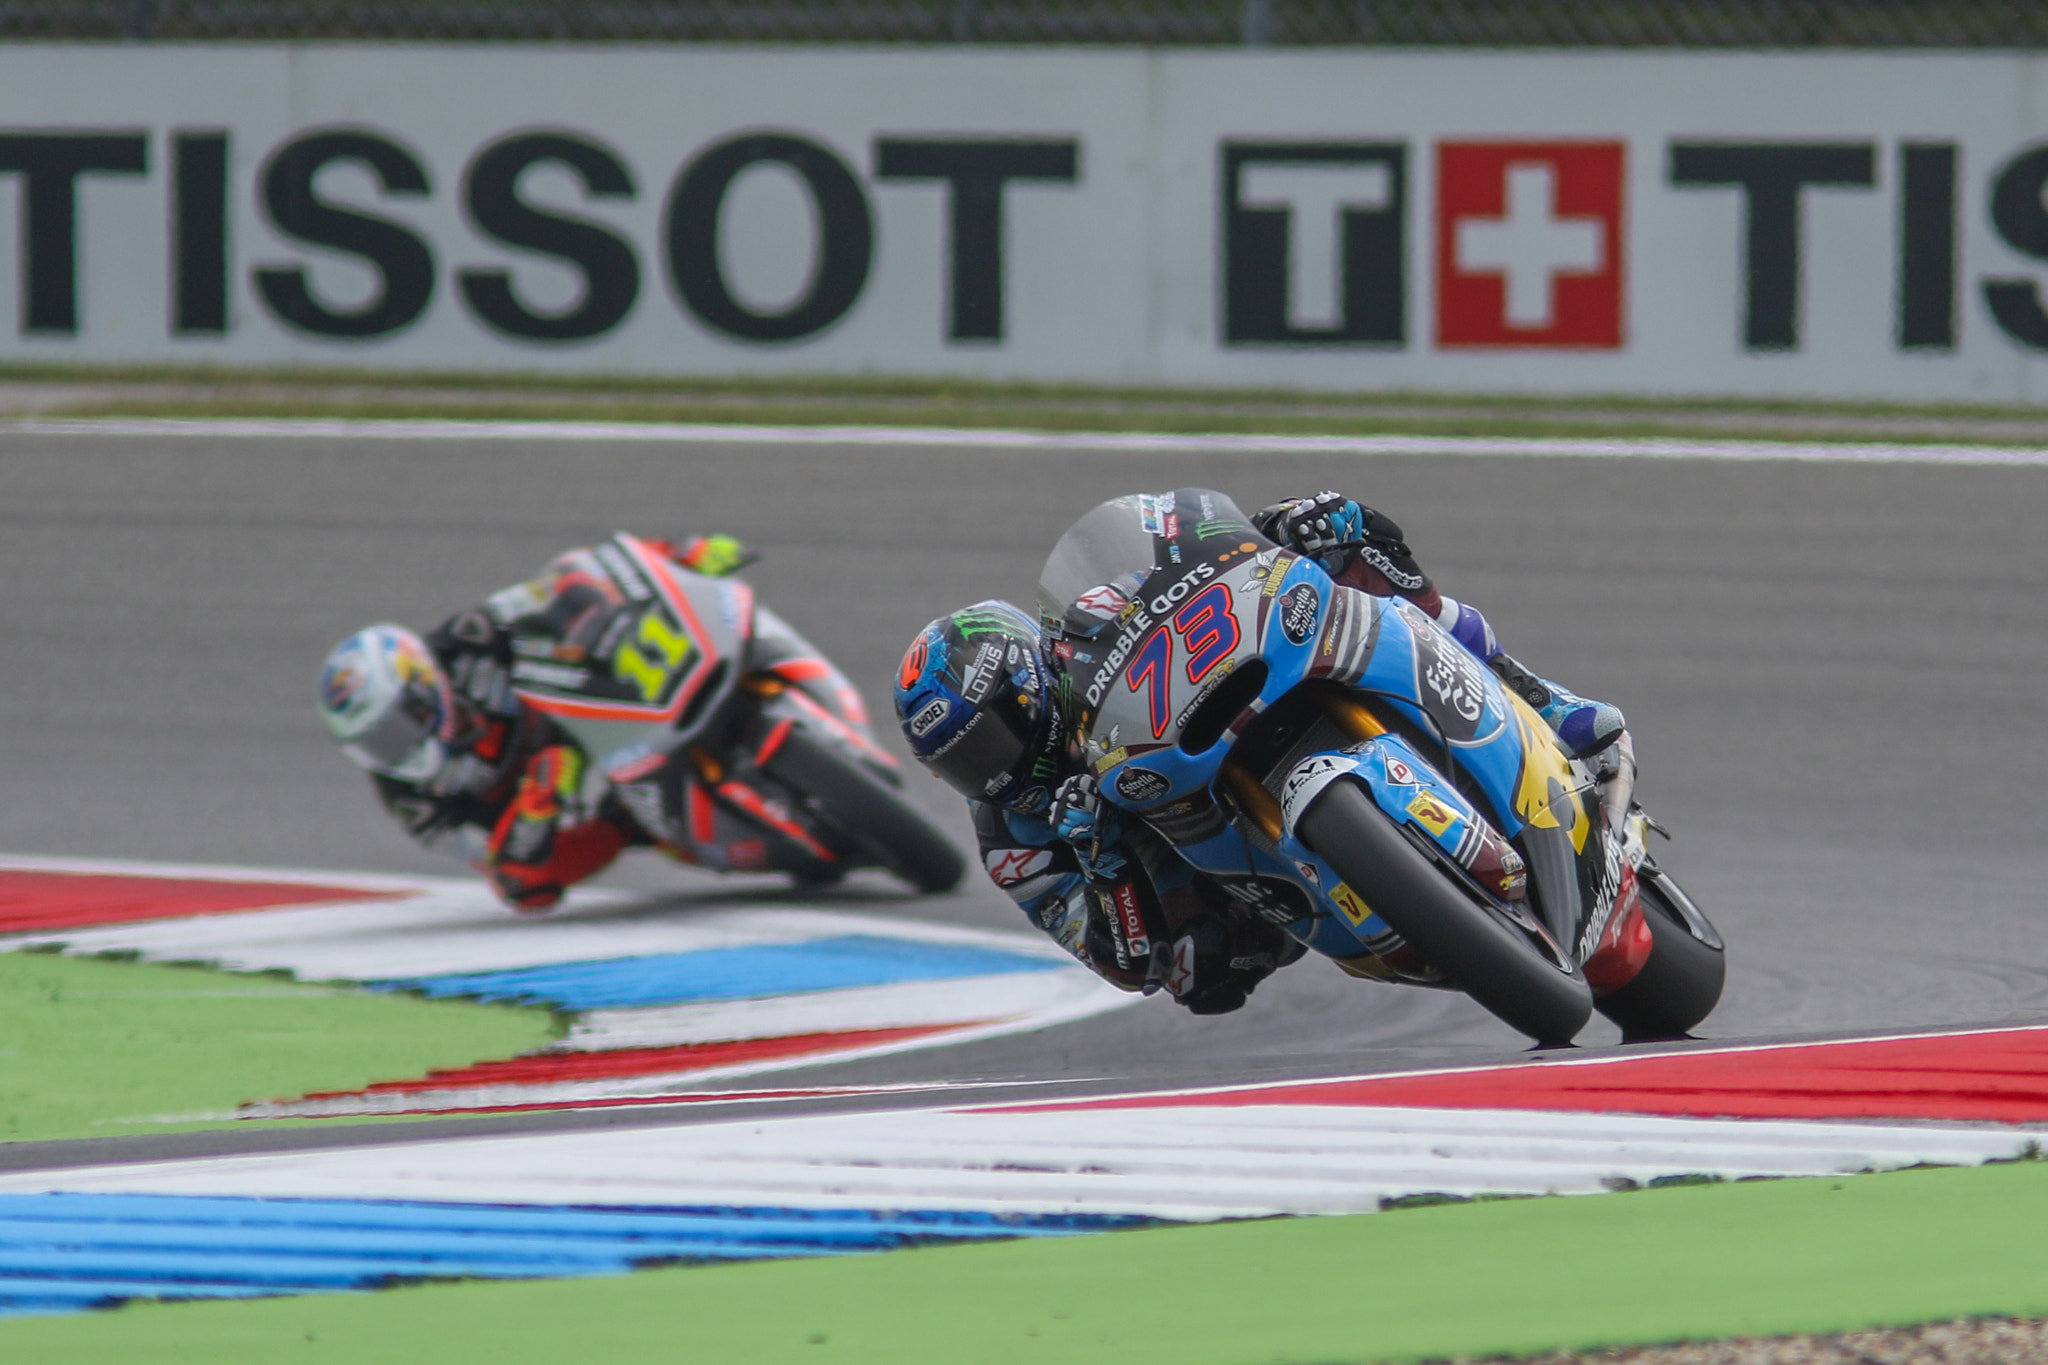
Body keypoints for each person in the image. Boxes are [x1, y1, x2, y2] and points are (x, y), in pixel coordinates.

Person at [892, 490, 1627, 1009]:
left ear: (1030, 681)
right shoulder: (1011, 837)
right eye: (960, 764)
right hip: (1210, 884)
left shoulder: (1082, 629)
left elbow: (1178, 548)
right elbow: (1118, 963)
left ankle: (1541, 698)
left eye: (992, 739)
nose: (993, 771)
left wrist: (1273, 530)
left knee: (1352, 540)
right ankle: (1374, 893)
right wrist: (1102, 860)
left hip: (1197, 719)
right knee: (1196, 975)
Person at [317, 533, 750, 912]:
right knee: (522, 886)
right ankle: (633, 823)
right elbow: (493, 861)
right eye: (375, 745)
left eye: (395, 730)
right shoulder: (413, 802)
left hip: (579, 703)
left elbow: (565, 586)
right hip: (544, 787)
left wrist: (675, 559)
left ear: (423, 685)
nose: (395, 751)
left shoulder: (467, 638)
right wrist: (536, 805)